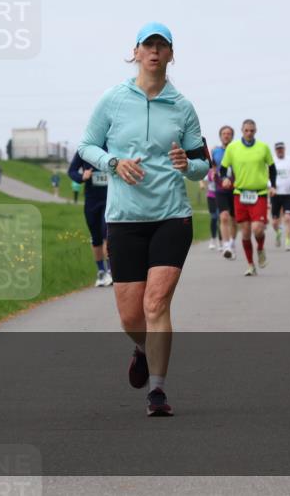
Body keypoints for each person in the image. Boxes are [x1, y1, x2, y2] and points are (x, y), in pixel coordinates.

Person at [78, 22, 210, 417]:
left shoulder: (182, 106)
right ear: (135, 52)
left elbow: (202, 164)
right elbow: (86, 146)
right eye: (147, 45)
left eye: (162, 46)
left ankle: (157, 391)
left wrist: (189, 165)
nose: (154, 51)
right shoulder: (113, 100)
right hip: (124, 219)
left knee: (156, 305)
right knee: (131, 316)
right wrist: (113, 162)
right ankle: (141, 346)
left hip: (172, 216)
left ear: (171, 54)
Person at [219, 119, 276, 276]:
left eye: (252, 130)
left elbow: (272, 168)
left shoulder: (263, 148)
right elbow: (223, 168)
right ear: (242, 131)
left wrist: (273, 185)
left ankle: (260, 248)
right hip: (240, 194)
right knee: (245, 232)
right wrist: (224, 178)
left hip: (259, 193)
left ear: (255, 131)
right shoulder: (233, 148)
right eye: (246, 130)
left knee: (257, 229)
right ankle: (250, 265)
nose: (249, 133)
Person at [68, 151, 113, 287]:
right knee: (96, 237)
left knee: (107, 233)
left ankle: (111, 270)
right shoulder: (84, 151)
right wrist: (82, 176)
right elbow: (71, 172)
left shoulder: (111, 146)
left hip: (109, 199)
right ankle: (101, 271)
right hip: (92, 201)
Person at [212, 126, 236, 259]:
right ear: (220, 136)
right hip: (220, 189)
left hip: (236, 188)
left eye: (229, 134)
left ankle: (232, 243)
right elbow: (213, 167)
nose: (226, 136)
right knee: (224, 216)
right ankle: (226, 245)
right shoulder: (215, 151)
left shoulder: (237, 150)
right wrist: (214, 173)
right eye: (224, 133)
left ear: (232, 136)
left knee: (234, 219)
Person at [270, 142, 290, 251]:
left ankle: (287, 242)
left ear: (284, 149)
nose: (280, 151)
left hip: (288, 194)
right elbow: (267, 176)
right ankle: (278, 232)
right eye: (278, 149)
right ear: (275, 150)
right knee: (274, 222)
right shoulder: (271, 161)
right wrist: (270, 186)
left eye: (281, 149)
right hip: (275, 194)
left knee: (287, 218)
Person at [199, 169, 220, 250]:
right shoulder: (209, 171)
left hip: (220, 196)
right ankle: (213, 239)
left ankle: (221, 241)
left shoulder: (221, 169)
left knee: (220, 217)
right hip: (211, 197)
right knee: (214, 217)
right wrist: (201, 184)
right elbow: (200, 176)